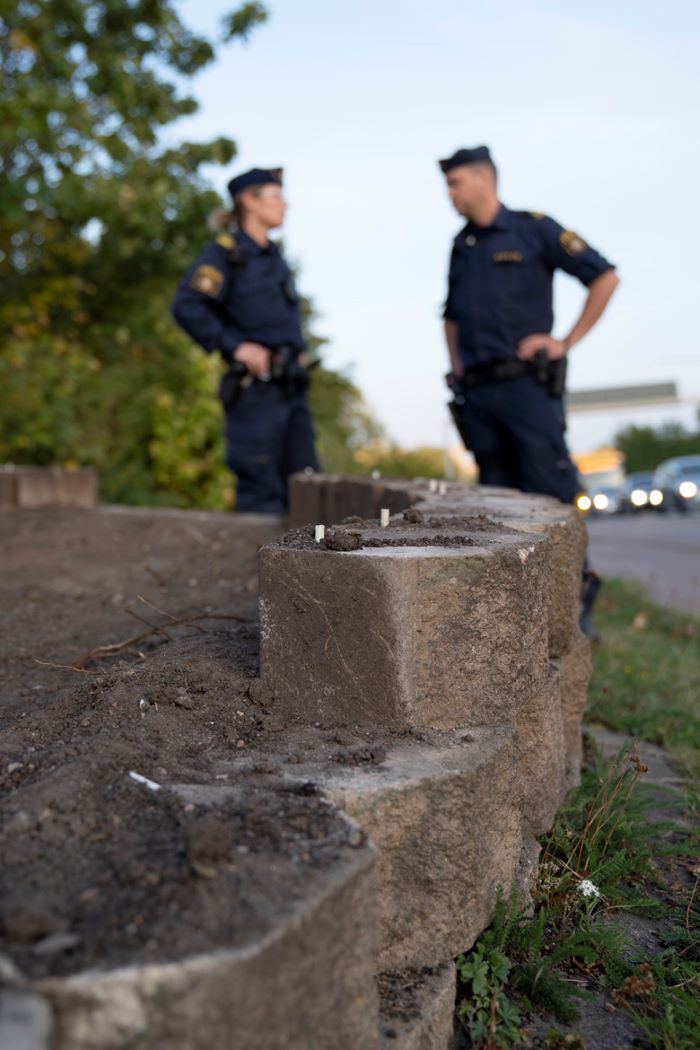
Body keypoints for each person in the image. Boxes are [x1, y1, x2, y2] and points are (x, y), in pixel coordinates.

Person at [438, 145, 620, 632]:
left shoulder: (534, 228)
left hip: (527, 388)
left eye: (455, 183)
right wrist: (456, 368)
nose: (450, 194)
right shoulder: (463, 245)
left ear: (483, 180)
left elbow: (603, 276)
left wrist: (565, 342)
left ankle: (573, 604)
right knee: (498, 501)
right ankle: (515, 616)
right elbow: (452, 315)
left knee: (551, 491)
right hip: (479, 393)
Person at [172, 167, 318, 513]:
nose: (285, 204)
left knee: (307, 486)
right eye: (276, 196)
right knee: (260, 490)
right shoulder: (226, 253)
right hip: (256, 392)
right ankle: (257, 568)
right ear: (249, 202)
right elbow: (188, 305)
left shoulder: (275, 258)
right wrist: (236, 346)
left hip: (291, 389)